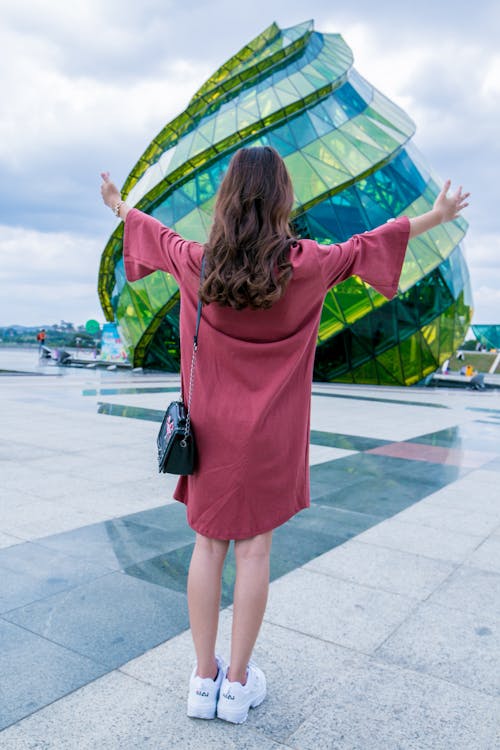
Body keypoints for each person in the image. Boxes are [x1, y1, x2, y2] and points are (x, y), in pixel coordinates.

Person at [100, 148, 469, 724]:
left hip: (211, 434)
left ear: (226, 201)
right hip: (272, 436)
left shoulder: (199, 263)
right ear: (282, 200)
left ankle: (203, 681)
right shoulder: (310, 264)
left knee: (207, 546)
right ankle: (239, 685)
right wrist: (437, 216)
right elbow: (371, 242)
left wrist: (119, 205)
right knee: (254, 551)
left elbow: (153, 232)